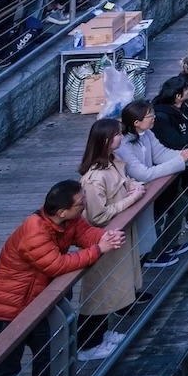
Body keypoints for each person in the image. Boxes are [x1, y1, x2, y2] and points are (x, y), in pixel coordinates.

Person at [0, 181, 122, 376]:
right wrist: (99, 249)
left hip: (36, 306)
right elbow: (56, 265)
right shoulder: (34, 231)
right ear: (62, 211)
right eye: (80, 203)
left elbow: (85, 233)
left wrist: (105, 237)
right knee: (5, 371)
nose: (84, 205)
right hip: (3, 314)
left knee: (48, 360)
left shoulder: (68, 220)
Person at [74, 119, 141, 360]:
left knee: (109, 289)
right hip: (103, 240)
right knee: (97, 293)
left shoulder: (112, 162)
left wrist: (133, 187)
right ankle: (87, 345)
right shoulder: (94, 178)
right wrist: (132, 198)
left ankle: (100, 335)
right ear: (105, 140)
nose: (121, 137)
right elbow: (97, 215)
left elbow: (125, 181)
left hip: (114, 237)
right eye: (117, 135)